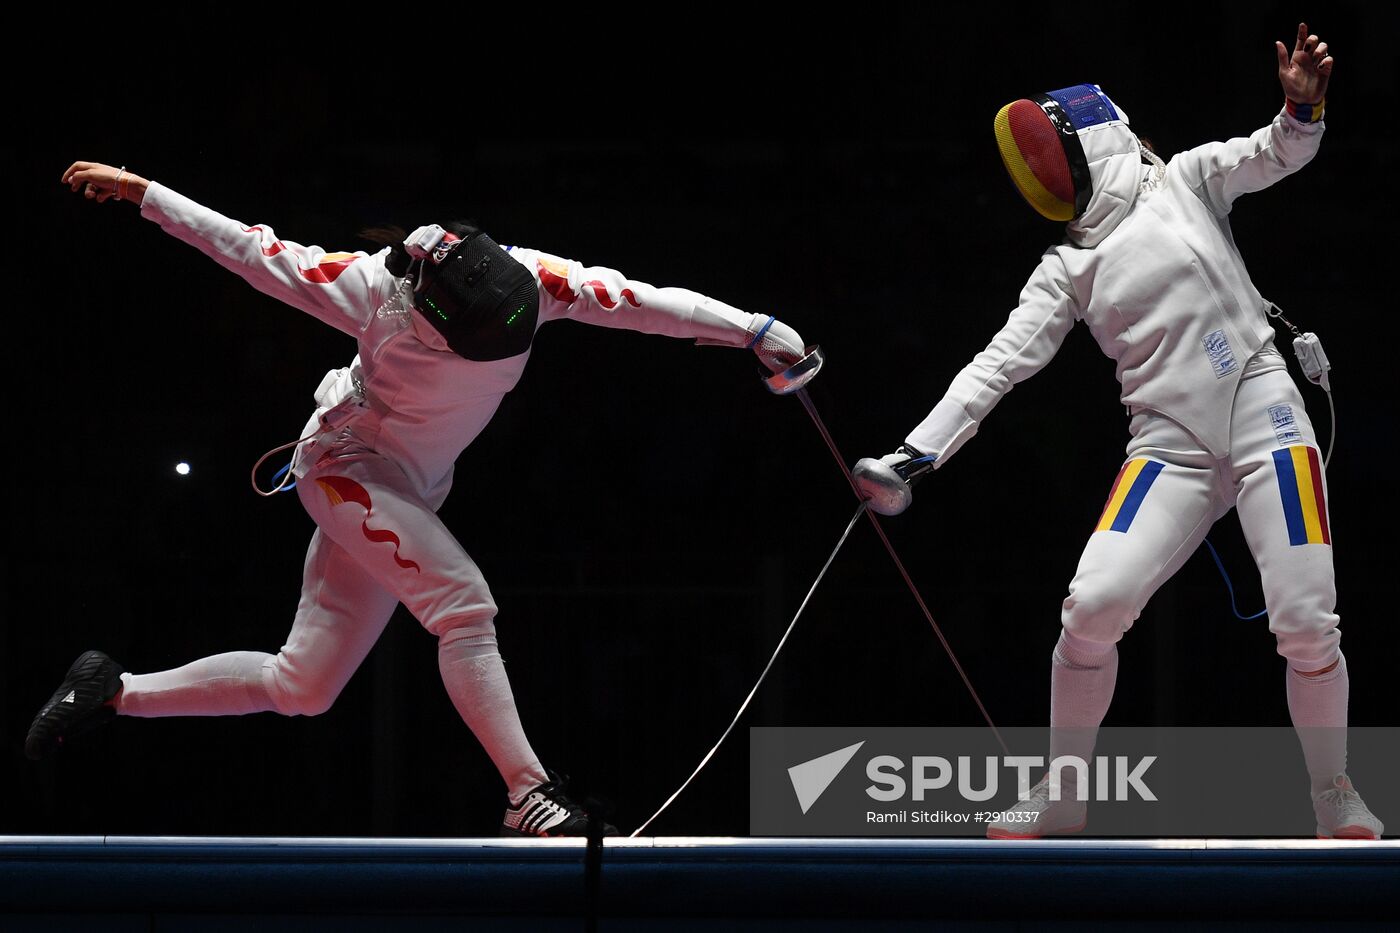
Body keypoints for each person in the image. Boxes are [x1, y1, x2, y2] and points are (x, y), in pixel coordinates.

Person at [28, 161, 808, 837]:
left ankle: (114, 691)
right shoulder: (374, 293)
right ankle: (527, 792)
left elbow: (641, 299)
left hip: (412, 486)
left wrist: (753, 328)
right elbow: (249, 249)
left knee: (305, 684)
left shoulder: (534, 278)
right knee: (464, 605)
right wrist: (143, 191)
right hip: (345, 467)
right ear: (436, 322)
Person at [854, 23, 1383, 839]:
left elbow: (1277, 151)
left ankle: (1333, 790)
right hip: (1165, 447)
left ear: (1095, 141)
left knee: (1308, 620)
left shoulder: (1188, 181)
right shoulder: (1067, 266)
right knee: (1091, 608)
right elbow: (998, 366)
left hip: (1268, 414)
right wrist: (914, 453)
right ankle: (1066, 793)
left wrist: (1300, 108)